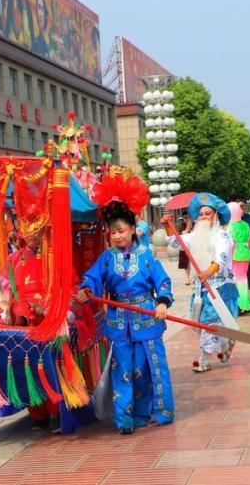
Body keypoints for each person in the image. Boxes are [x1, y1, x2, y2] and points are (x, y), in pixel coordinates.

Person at [76, 177, 174, 435]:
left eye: (122, 230)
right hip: (119, 321)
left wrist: (163, 302)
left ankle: (157, 413)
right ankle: (124, 419)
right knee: (124, 371)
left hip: (147, 318)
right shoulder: (107, 258)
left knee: (148, 367)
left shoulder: (147, 256)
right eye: (113, 231)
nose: (117, 235)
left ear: (133, 228)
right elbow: (92, 277)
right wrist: (86, 290)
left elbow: (162, 281)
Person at [164, 192, 239, 373]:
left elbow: (220, 260)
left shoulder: (222, 236)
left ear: (216, 216)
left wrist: (208, 272)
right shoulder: (193, 236)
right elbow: (175, 242)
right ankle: (226, 343)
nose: (204, 217)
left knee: (209, 325)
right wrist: (168, 226)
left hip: (219, 287)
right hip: (200, 289)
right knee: (198, 325)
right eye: (201, 214)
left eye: (208, 213)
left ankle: (204, 360)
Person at [228, 202, 250, 313]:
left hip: (235, 256)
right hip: (246, 254)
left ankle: (242, 305)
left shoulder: (230, 226)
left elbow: (228, 243)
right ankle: (247, 301)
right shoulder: (246, 225)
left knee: (238, 281)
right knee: (243, 279)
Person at [177, 217, 193, 285]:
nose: (186, 219)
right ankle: (187, 279)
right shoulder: (181, 226)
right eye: (185, 218)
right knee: (185, 265)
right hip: (184, 248)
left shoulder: (194, 225)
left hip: (193, 248)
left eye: (187, 217)